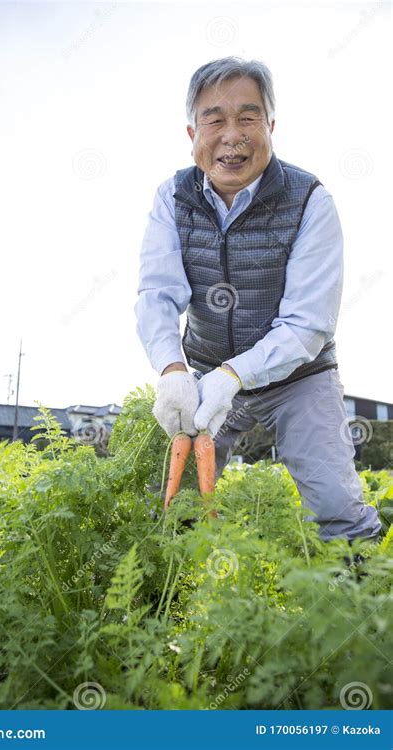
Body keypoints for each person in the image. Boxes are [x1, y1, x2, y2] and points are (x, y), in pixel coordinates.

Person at [134, 56, 381, 543]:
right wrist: (172, 370)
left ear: (270, 125)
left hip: (299, 376)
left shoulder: (310, 200)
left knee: (337, 509)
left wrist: (236, 375)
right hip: (206, 371)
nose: (232, 135)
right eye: (215, 119)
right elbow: (157, 294)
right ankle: (167, 602)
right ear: (192, 134)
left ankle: (360, 601)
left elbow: (308, 324)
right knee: (172, 504)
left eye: (248, 118)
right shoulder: (172, 197)